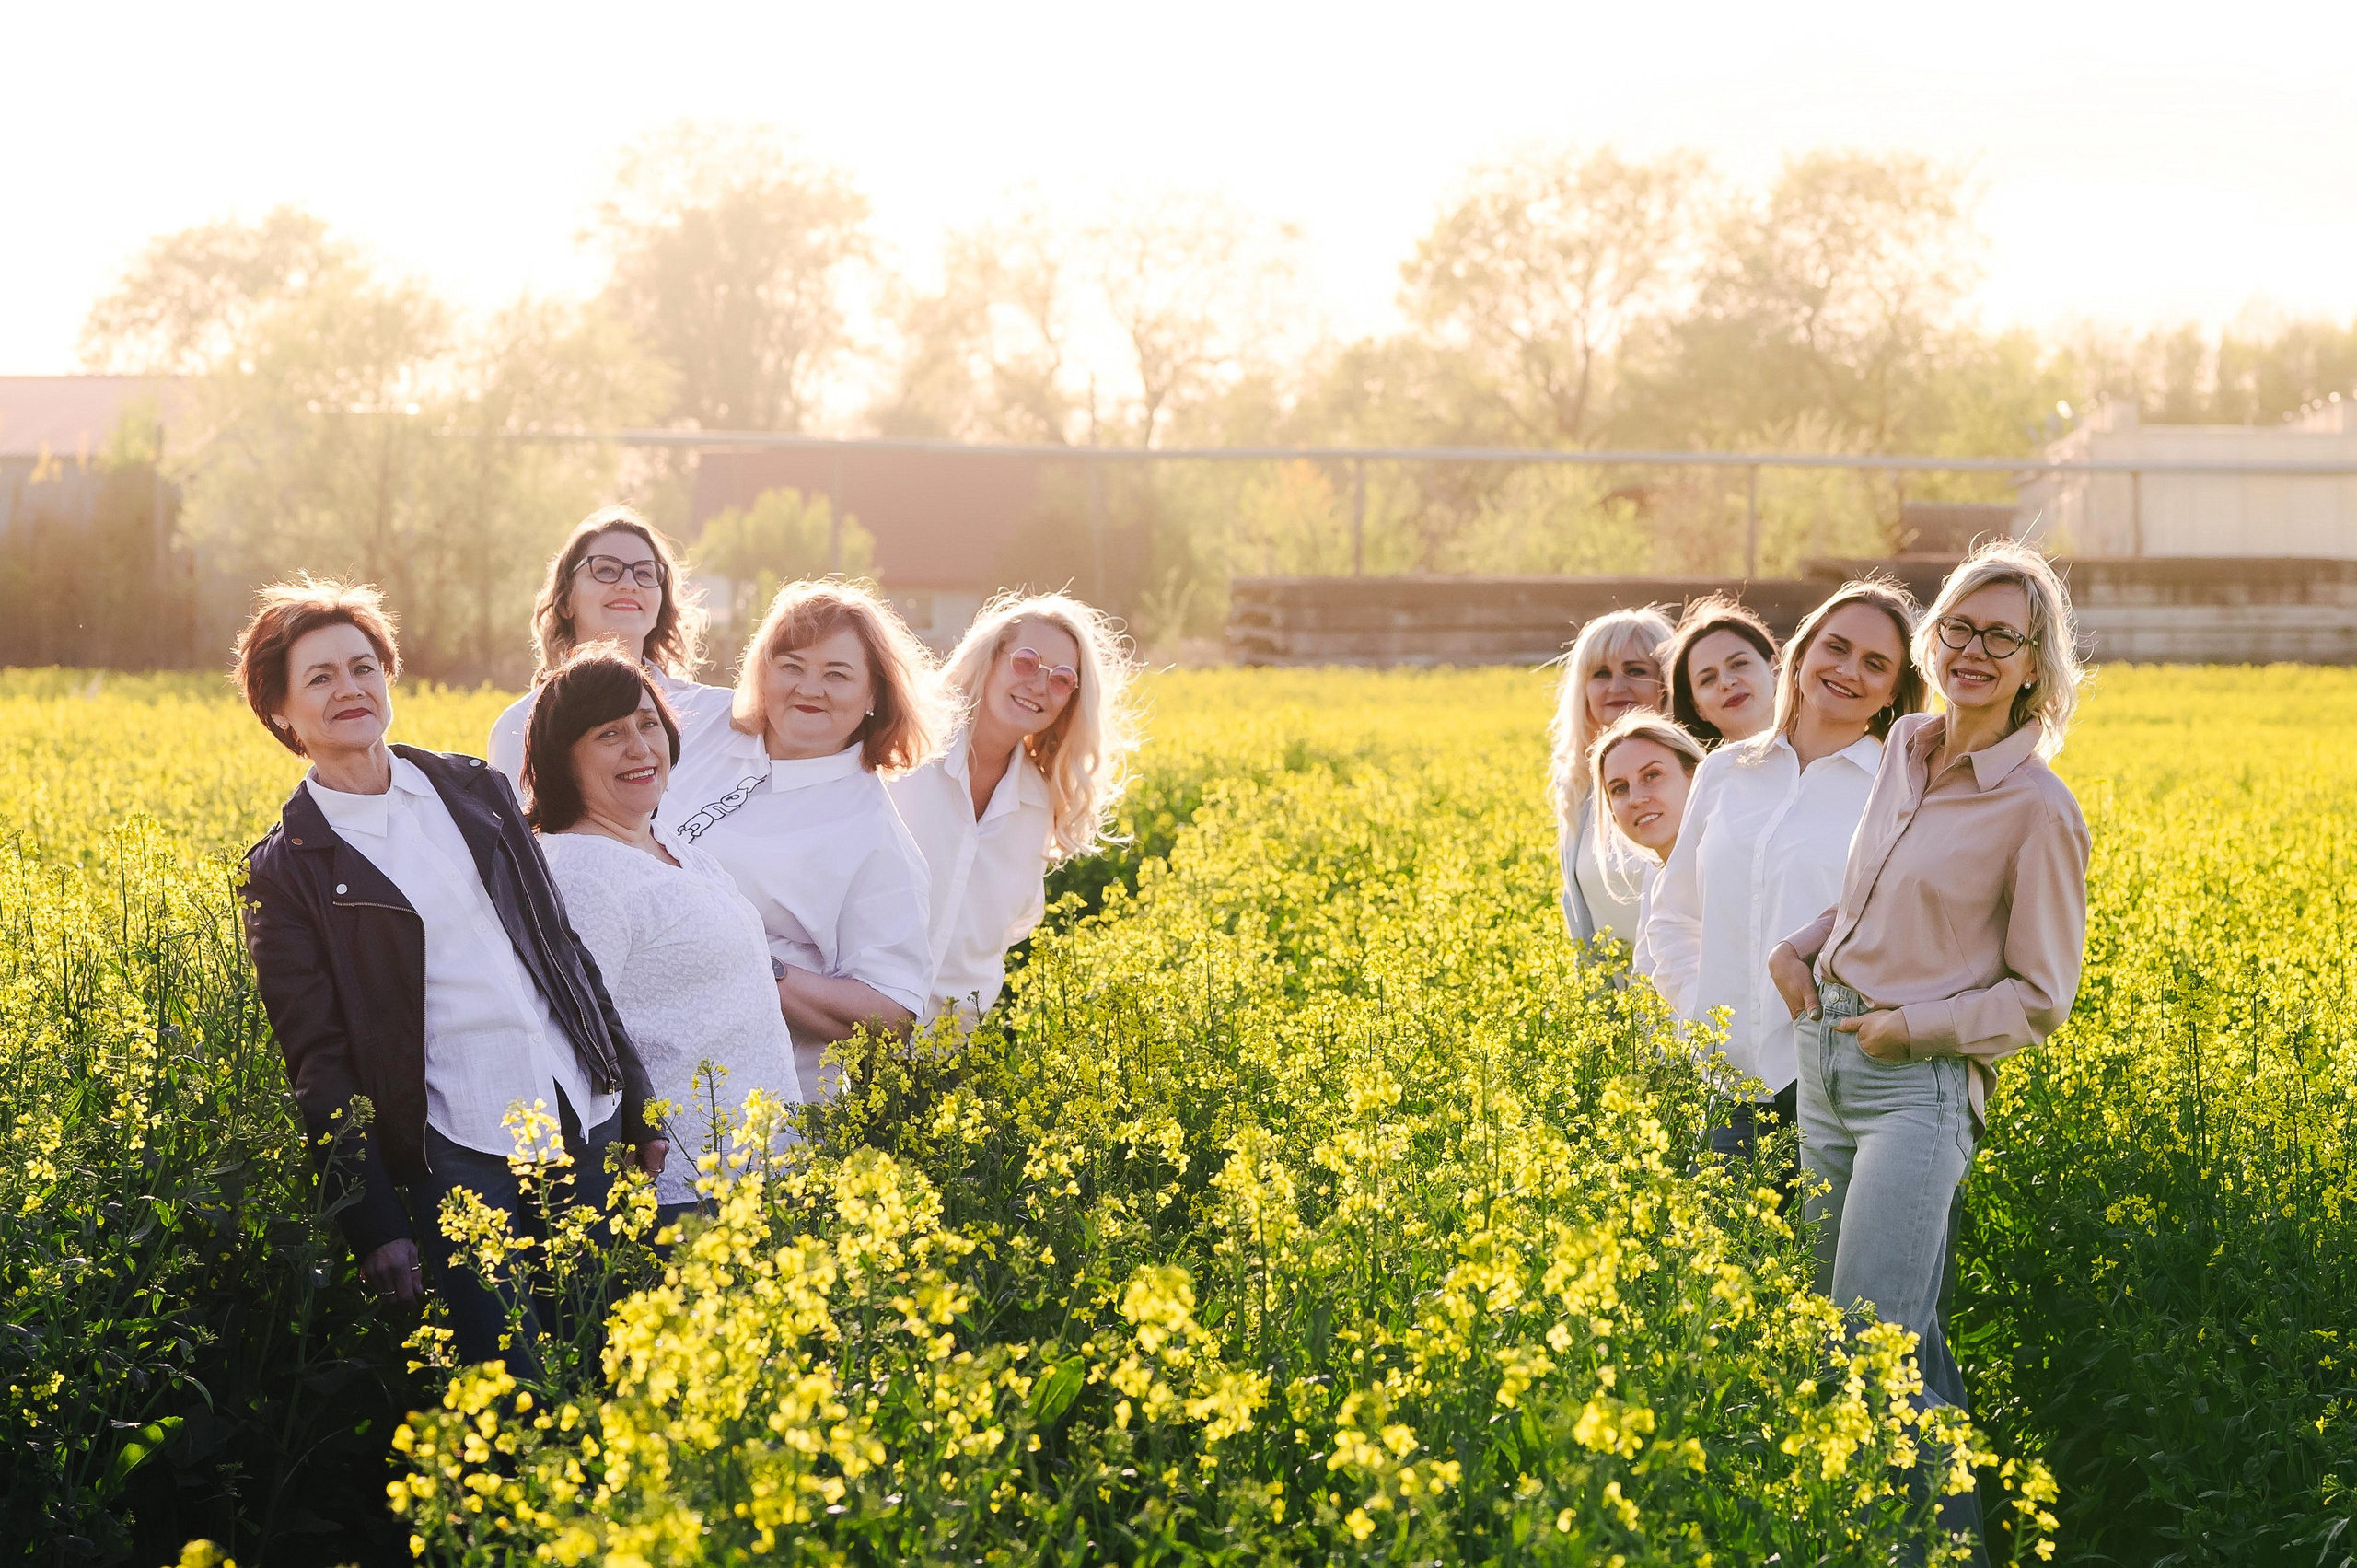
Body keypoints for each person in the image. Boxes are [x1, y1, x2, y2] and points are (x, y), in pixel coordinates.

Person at [234, 579, 665, 1371]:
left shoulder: (475, 789)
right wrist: (374, 1219)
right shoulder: (286, 870)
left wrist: (634, 1093)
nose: (350, 689)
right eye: (320, 678)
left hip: (580, 1109)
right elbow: (317, 1061)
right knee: (514, 1382)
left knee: (607, 1361)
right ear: (282, 713)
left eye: (363, 666)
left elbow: (561, 950)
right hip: (460, 1148)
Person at [1770, 540, 2091, 1550]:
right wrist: (1806, 943)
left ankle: (1884, 1543)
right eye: (1959, 625)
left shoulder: (2038, 809)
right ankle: (1953, 1548)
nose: (1975, 649)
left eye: (2005, 635)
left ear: (2036, 662)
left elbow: (2041, 996)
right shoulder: (1905, 744)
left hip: (1918, 1092)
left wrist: (1912, 1026)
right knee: (1887, 1342)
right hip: (1827, 1064)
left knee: (1868, 1350)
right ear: (1933, 633)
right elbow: (1873, 892)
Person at [1648, 579, 1925, 1177]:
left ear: (1894, 691)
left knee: (1823, 1268)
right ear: (1800, 653)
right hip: (1728, 1088)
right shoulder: (1723, 772)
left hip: (1836, 1083)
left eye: (1875, 663)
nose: (1849, 670)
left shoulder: (1900, 788)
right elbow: (1674, 914)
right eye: (1837, 647)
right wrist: (1698, 1015)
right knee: (1729, 1265)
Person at [525, 645, 803, 1225]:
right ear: (562, 758)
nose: (640, 748)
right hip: (682, 1191)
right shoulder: (581, 874)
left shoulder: (668, 844)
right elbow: (576, 1045)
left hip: (757, 1174)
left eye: (648, 724)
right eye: (609, 734)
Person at [663, 579, 938, 1095]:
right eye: (791, 666)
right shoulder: (698, 726)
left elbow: (891, 1015)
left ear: (874, 693)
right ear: (762, 672)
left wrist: (756, 963)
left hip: (746, 1104)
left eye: (837, 674)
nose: (809, 688)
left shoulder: (875, 836)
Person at [888, 592, 1140, 1028]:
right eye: (1026, 662)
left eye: (1062, 679)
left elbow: (1005, 934)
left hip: (949, 1063)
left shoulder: (1039, 804)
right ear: (991, 658)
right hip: (841, 1045)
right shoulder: (903, 754)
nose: (1039, 685)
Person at [487, 507, 730, 794]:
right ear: (565, 602)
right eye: (605, 569)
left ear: (660, 604)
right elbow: (518, 837)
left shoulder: (714, 714)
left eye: (644, 573)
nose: (629, 584)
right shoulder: (520, 724)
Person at [1548, 606, 1675, 947]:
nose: (1617, 686)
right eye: (1600, 674)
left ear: (1666, 682)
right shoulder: (1578, 788)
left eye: (1635, 671)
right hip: (1613, 999)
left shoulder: (1693, 777)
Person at [1587, 711, 1707, 991]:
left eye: (1652, 775)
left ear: (1696, 776)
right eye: (1618, 789)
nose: (1636, 799)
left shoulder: (1733, 871)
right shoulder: (1656, 884)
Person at [1661, 594, 1779, 747]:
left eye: (1739, 664)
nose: (1726, 682)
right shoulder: (1704, 771)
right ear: (1697, 708)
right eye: (1708, 679)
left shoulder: (1819, 758)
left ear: (1775, 669)